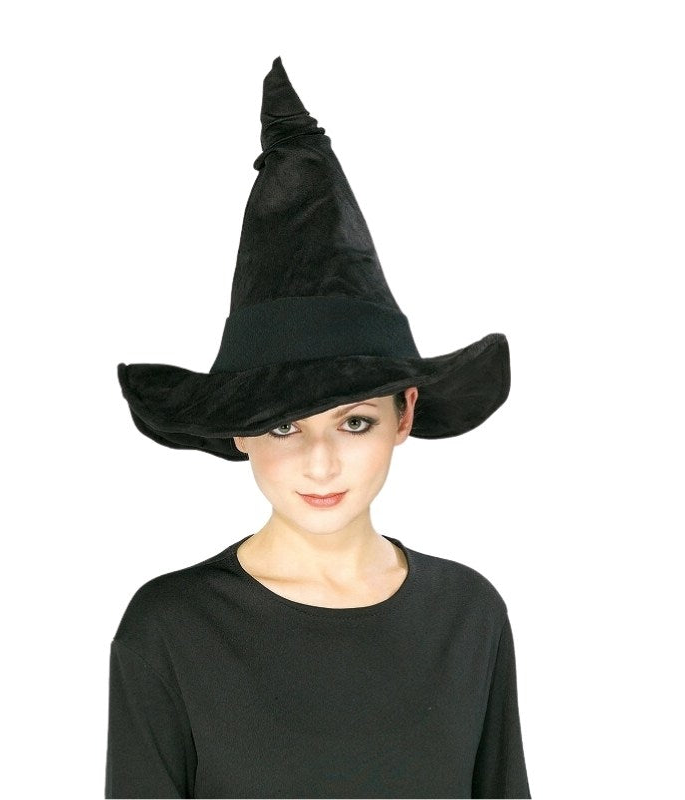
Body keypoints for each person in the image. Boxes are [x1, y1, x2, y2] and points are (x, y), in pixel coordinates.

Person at [107, 56, 530, 798]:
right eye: (283, 427)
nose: (321, 463)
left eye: (355, 421)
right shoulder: (170, 628)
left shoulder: (468, 616)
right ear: (239, 430)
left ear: (404, 414)